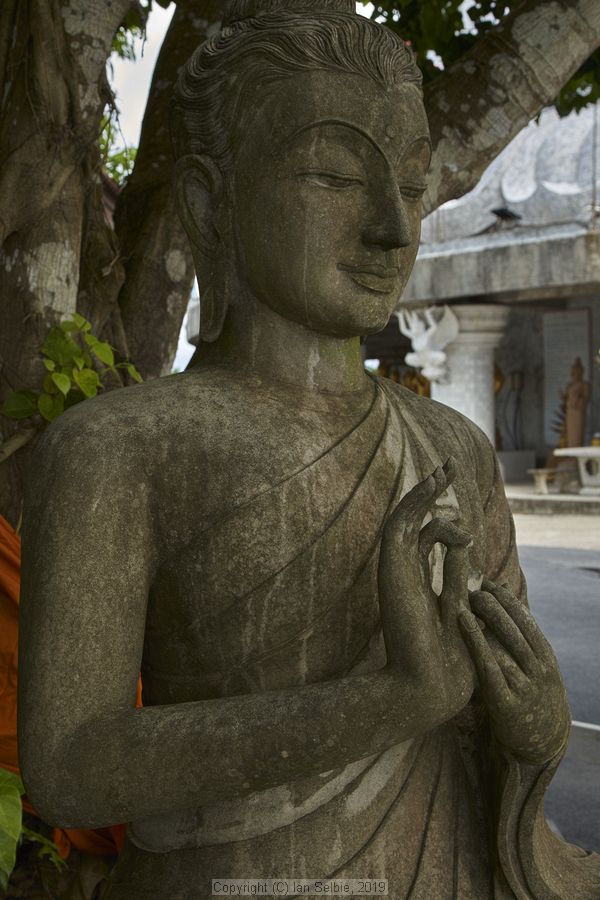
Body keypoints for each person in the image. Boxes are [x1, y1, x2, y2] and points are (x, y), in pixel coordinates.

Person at [19, 2, 599, 897]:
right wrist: (386, 703)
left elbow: (493, 710)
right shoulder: (119, 450)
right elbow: (69, 763)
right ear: (213, 200)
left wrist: (535, 731)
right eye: (333, 176)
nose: (393, 231)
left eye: (410, 188)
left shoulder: (456, 453)